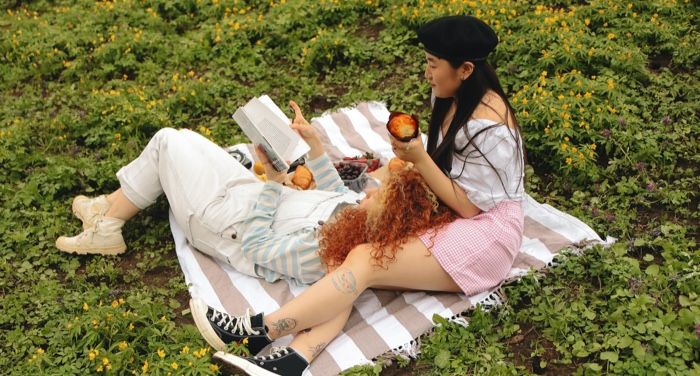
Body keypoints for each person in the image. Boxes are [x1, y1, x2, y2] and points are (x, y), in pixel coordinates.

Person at [194, 14, 526, 376]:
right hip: (454, 212)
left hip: (485, 235)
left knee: (364, 261)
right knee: (348, 255)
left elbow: (468, 206)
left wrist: (418, 158)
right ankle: (292, 360)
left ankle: (258, 331)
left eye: (433, 65)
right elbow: (445, 175)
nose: (427, 74)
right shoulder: (452, 95)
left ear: (464, 69)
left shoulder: (489, 128)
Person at [56, 102, 454, 286]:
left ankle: (107, 224)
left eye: (377, 196)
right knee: (185, 137)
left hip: (221, 221)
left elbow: (258, 246)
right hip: (249, 196)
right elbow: (336, 195)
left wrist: (275, 183)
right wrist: (315, 145)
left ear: (382, 218)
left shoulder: (328, 253)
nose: (368, 192)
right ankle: (108, 209)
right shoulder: (358, 221)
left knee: (167, 143)